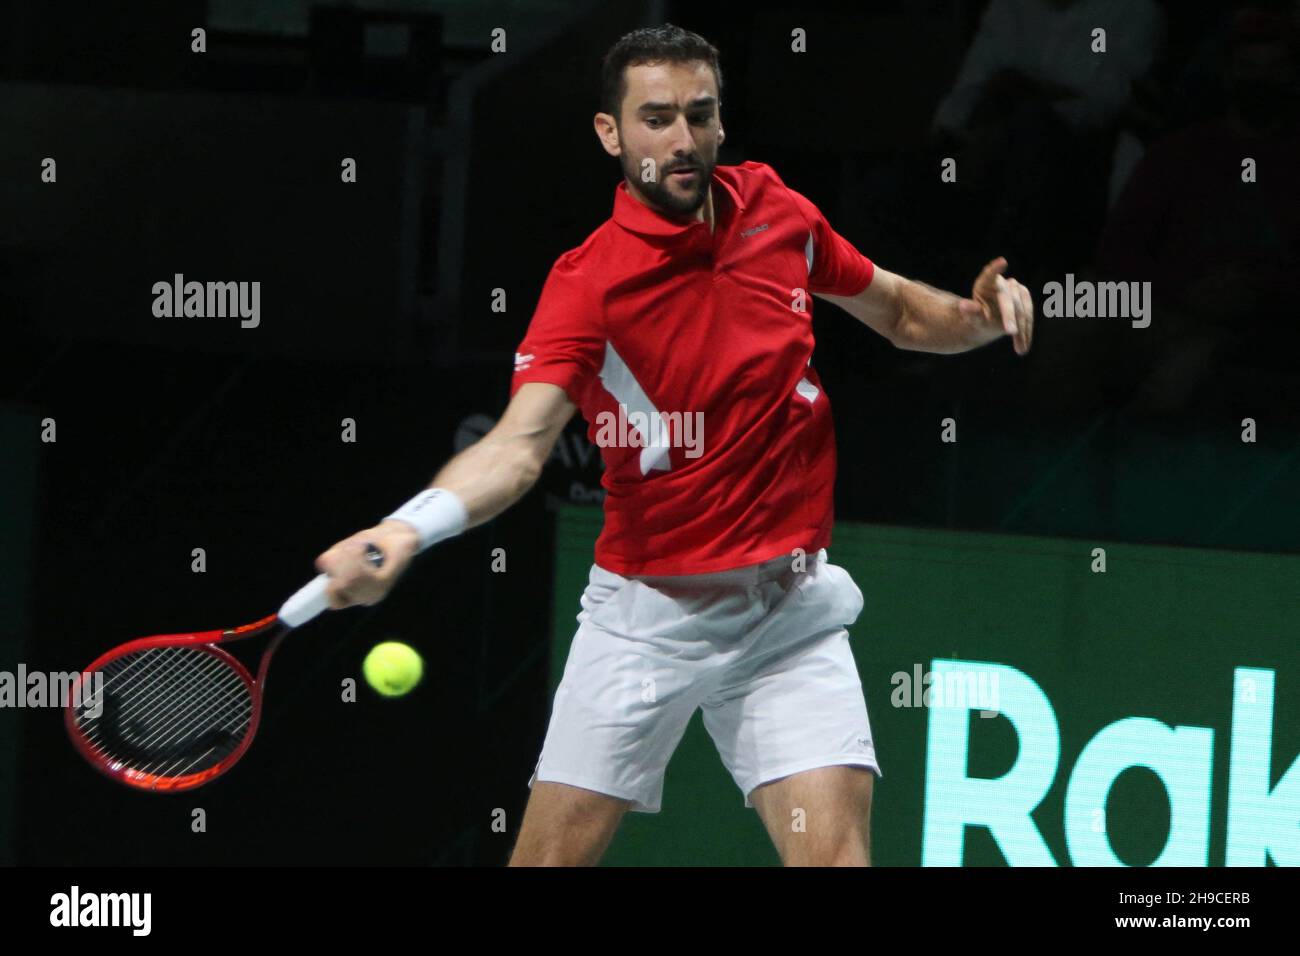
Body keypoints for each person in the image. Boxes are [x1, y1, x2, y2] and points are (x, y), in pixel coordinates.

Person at [315, 24, 1034, 867]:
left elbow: (905, 313)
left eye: (700, 114)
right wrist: (407, 529)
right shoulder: (589, 285)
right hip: (649, 619)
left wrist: (977, 319)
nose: (683, 140)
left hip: (788, 611)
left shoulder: (778, 212)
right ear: (610, 134)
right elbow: (516, 448)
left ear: (722, 122)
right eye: (656, 118)